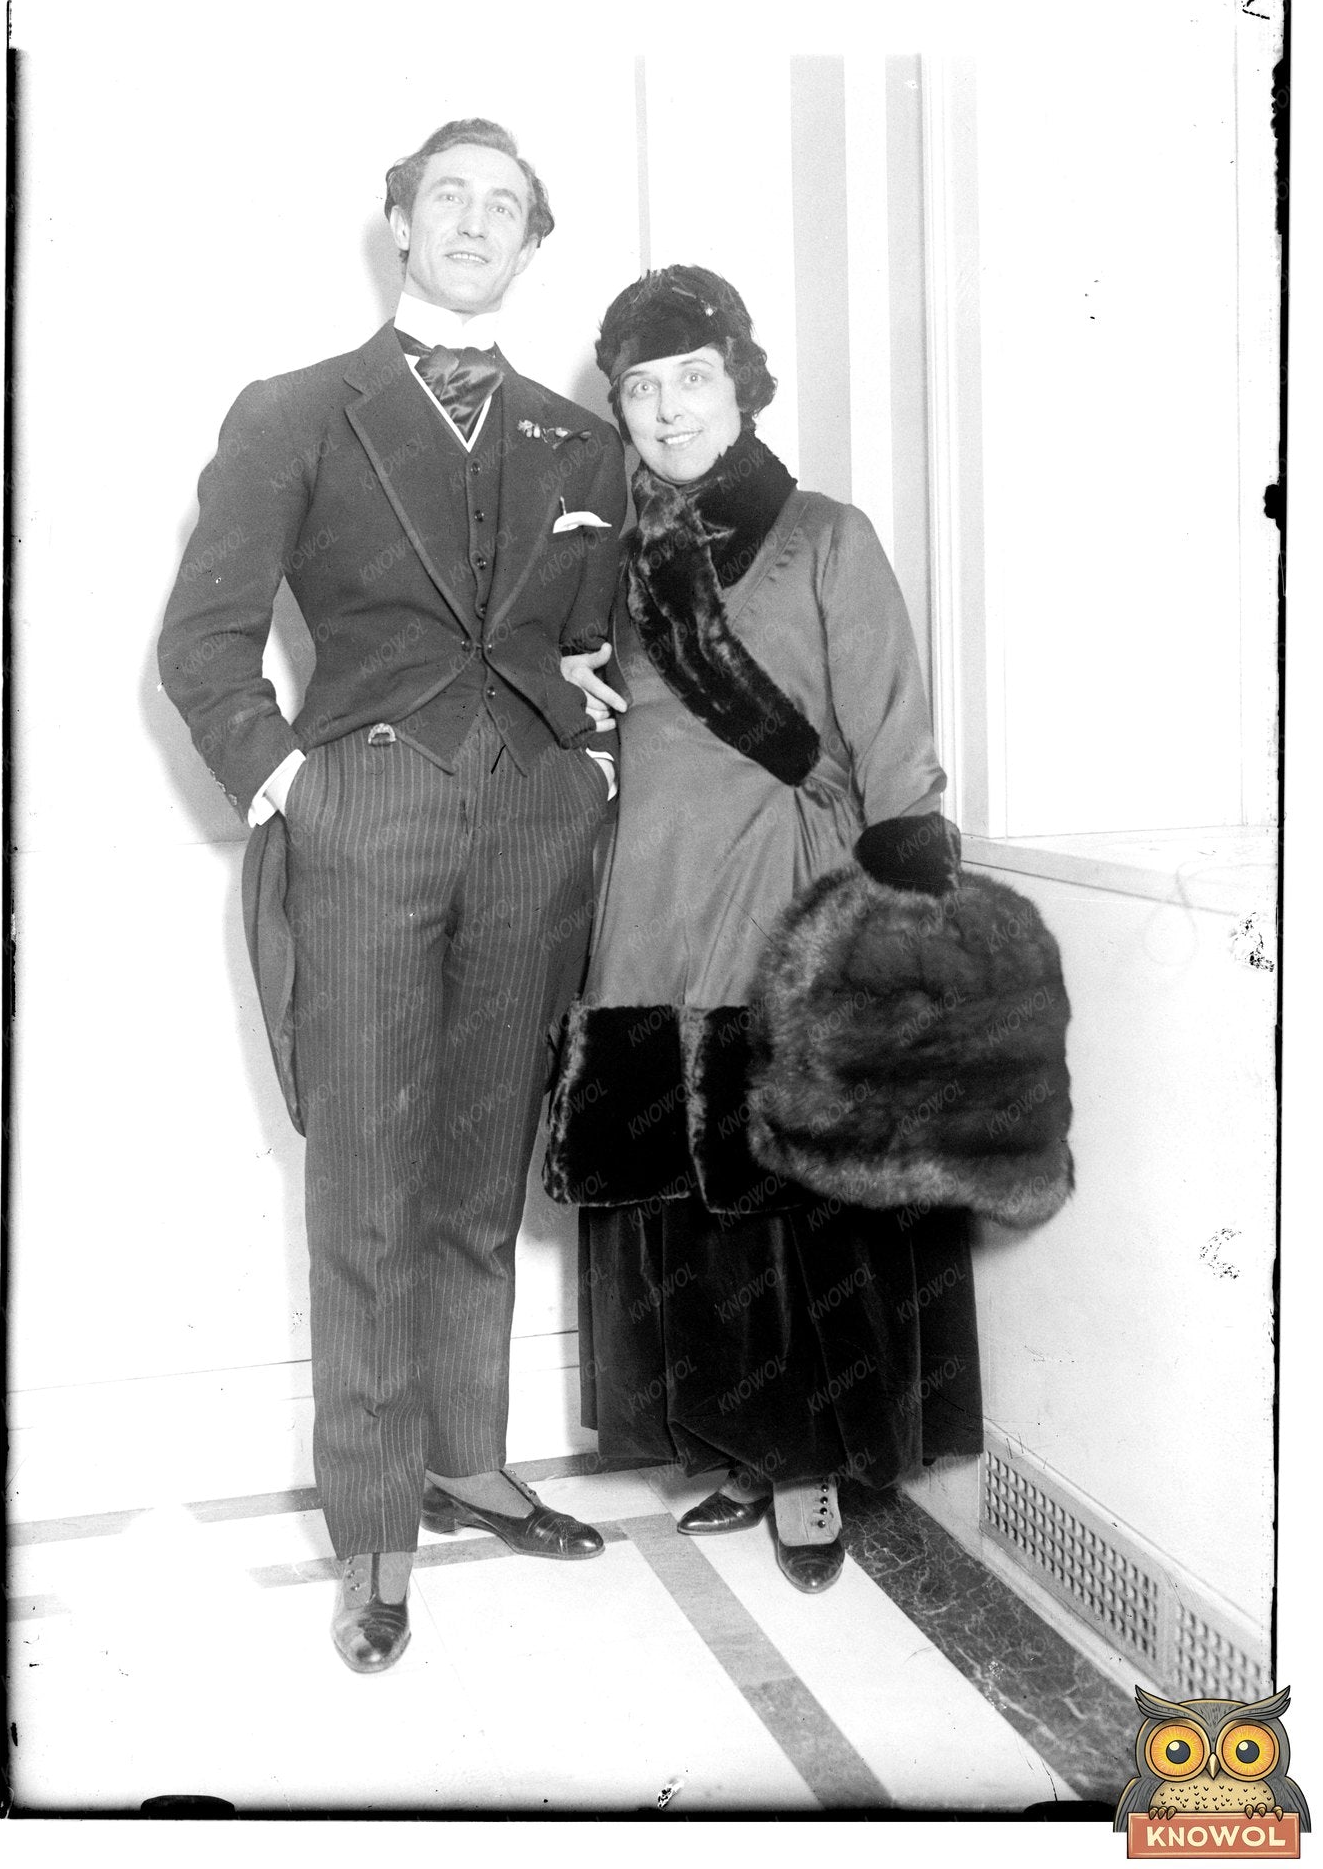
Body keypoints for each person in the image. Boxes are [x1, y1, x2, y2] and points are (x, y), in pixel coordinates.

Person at [159, 119, 627, 1672]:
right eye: (452, 198)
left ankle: (465, 1452)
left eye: (506, 206)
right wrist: (295, 784)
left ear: (531, 239)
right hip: (365, 819)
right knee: (366, 1174)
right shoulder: (298, 411)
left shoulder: (581, 438)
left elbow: (592, 638)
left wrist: (588, 729)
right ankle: (371, 1520)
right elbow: (204, 639)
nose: (476, 224)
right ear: (399, 224)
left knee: (482, 1161)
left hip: (533, 829)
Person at [545, 265, 988, 1593]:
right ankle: (735, 1443)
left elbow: (895, 750)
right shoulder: (610, 568)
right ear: (617, 407)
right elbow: (590, 720)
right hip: (651, 904)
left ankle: (809, 1465)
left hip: (790, 891)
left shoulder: (825, 536)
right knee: (690, 1191)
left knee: (789, 1185)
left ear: (738, 381)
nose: (670, 408)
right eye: (641, 385)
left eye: (692, 376)